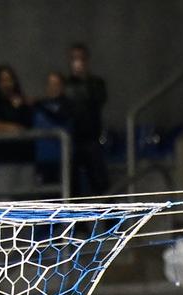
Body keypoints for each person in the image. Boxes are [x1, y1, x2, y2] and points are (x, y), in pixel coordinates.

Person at [62, 42, 110, 196]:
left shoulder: (96, 83)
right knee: (74, 188)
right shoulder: (65, 85)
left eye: (81, 59)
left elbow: (98, 100)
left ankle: (110, 219)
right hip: (72, 141)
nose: (78, 63)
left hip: (91, 139)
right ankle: (79, 220)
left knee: (101, 185)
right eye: (74, 59)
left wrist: (83, 79)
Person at [0, 63, 36, 181]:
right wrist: (10, 128)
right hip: (3, 159)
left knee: (28, 195)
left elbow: (29, 122)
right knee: (5, 196)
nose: (7, 84)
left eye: (9, 80)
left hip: (26, 157)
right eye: (3, 80)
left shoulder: (21, 99)